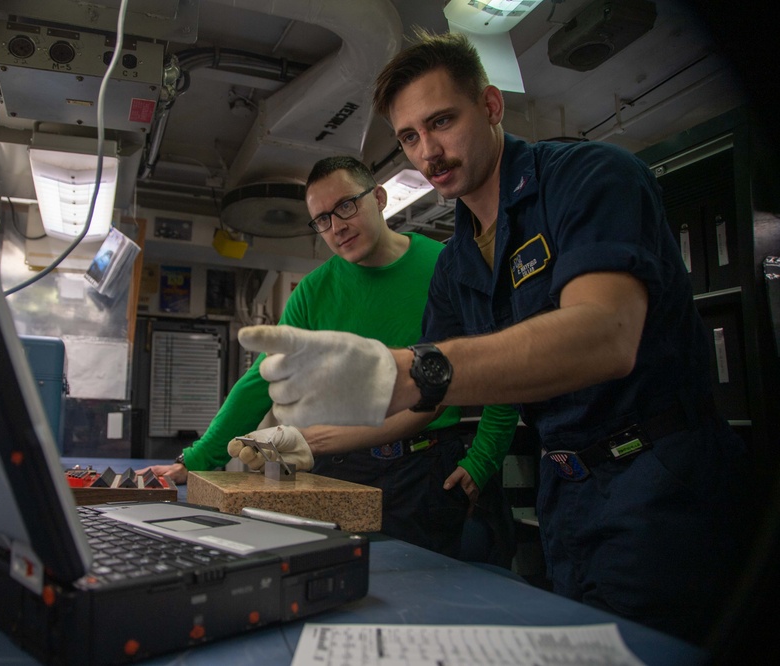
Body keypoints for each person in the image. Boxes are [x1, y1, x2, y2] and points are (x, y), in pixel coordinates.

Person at [238, 31, 750, 644]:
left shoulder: (590, 178)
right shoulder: (458, 265)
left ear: (490, 106)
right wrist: (307, 437)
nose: (429, 150)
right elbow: (431, 398)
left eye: (442, 121)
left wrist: (401, 370)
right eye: (409, 137)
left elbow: (606, 335)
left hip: (660, 479)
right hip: (568, 492)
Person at [146, 155, 518, 558]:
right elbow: (262, 380)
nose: (336, 226)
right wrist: (199, 457)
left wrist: (484, 458)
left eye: (346, 206)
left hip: (426, 466)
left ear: (379, 197)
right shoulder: (312, 292)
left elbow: (498, 361)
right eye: (321, 219)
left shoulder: (445, 266)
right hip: (339, 467)